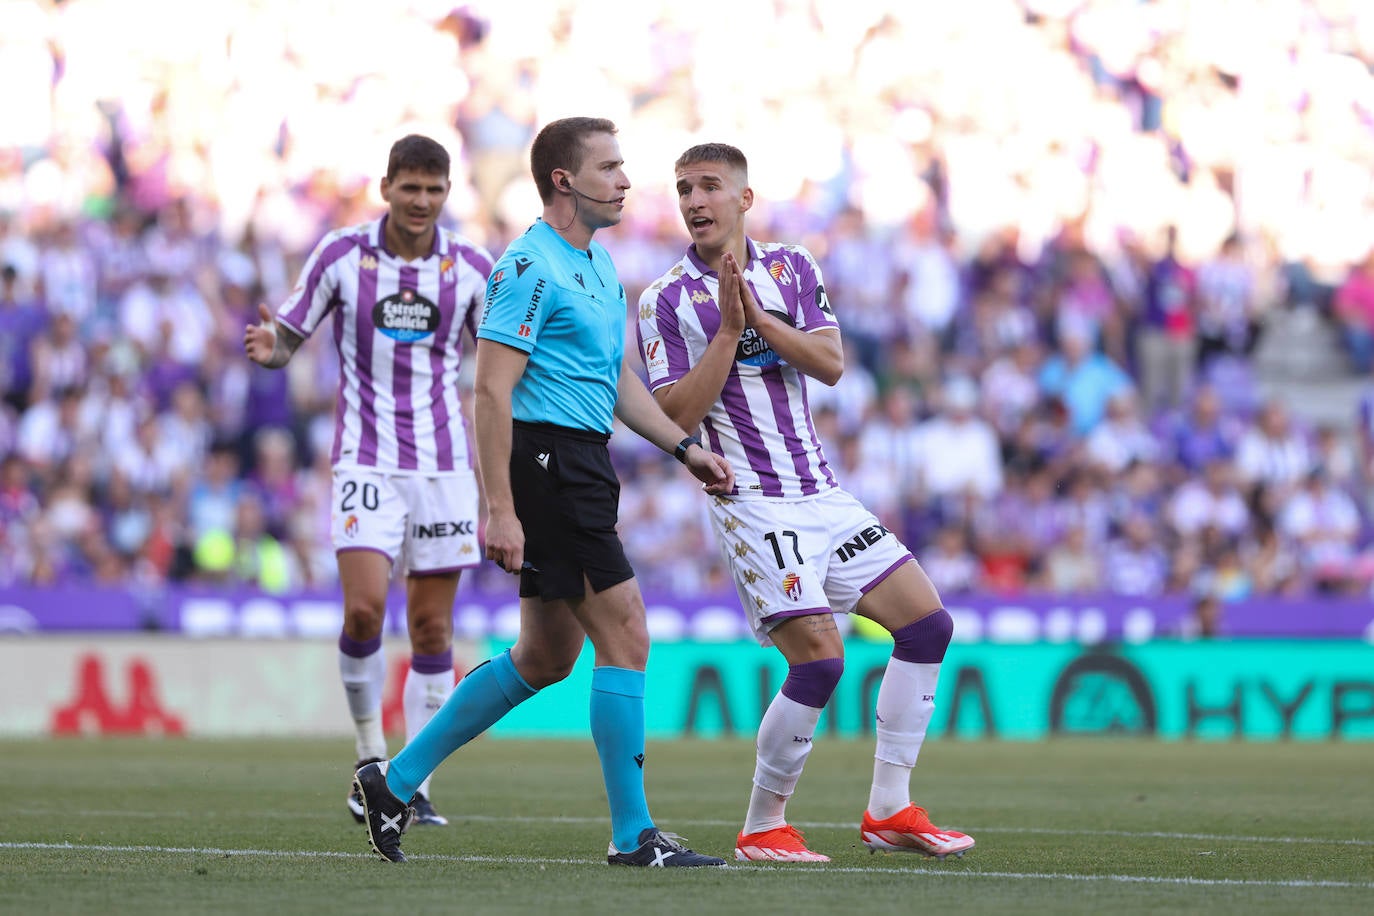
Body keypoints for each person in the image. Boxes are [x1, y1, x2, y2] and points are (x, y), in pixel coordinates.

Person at [351, 117, 733, 866]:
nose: (626, 180)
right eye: (611, 167)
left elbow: (615, 378)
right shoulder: (528, 265)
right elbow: (491, 393)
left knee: (545, 656)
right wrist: (500, 507)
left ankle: (392, 784)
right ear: (565, 180)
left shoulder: (594, 265)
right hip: (548, 461)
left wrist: (685, 447)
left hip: (583, 460)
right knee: (626, 633)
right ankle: (635, 838)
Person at [637, 142, 974, 863]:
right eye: (684, 189)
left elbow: (830, 365)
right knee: (820, 661)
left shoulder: (792, 267)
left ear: (744, 199)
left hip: (822, 492)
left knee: (927, 625)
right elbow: (671, 415)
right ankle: (763, 825)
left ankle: (889, 808)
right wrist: (728, 332)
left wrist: (758, 320)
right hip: (751, 500)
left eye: (709, 187)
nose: (695, 201)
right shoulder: (664, 298)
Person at [244, 134, 491, 829]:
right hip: (365, 460)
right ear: (386, 187)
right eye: (409, 188)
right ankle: (367, 758)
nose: (420, 201)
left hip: (444, 467)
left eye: (433, 190)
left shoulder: (471, 267)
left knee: (434, 627)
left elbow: (501, 358)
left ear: (446, 194)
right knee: (363, 612)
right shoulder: (341, 254)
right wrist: (274, 350)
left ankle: (412, 784)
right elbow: (289, 332)